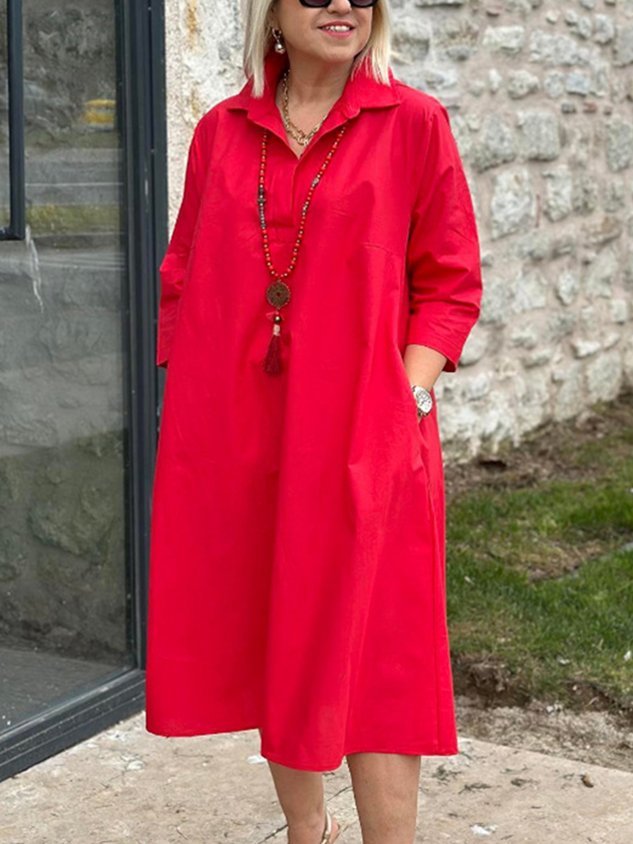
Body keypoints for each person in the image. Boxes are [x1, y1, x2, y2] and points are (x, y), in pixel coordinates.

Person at [145, 0, 483, 841]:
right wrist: (192, 400)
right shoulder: (221, 132)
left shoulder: (413, 124)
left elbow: (450, 282)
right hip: (236, 432)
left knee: (380, 645)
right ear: (270, 13)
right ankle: (308, 829)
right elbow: (183, 271)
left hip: (367, 429)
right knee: (273, 628)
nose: (341, 4)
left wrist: (406, 396)